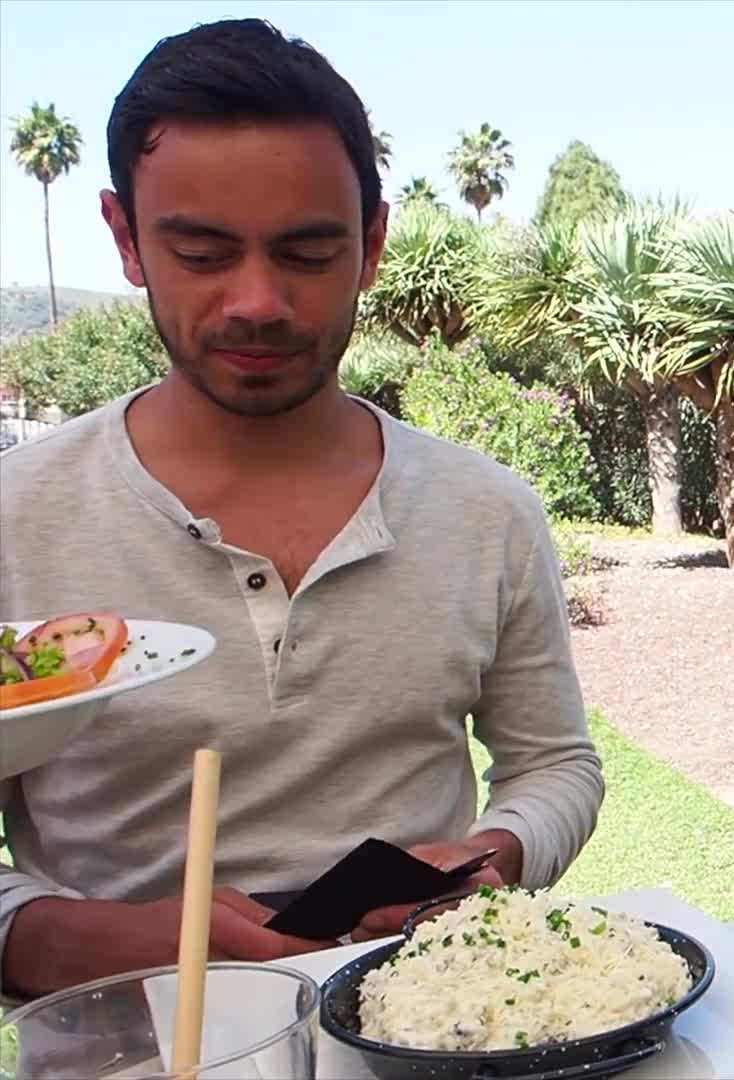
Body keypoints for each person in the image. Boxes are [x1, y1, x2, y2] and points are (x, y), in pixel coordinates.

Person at [0, 19, 605, 998]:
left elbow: (557, 766)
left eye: (307, 252)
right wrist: (69, 941)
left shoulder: (484, 509)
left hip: (424, 1032)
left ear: (371, 244)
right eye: (200, 252)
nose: (257, 301)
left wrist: (499, 853)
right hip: (120, 1051)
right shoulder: (18, 515)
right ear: (126, 238)